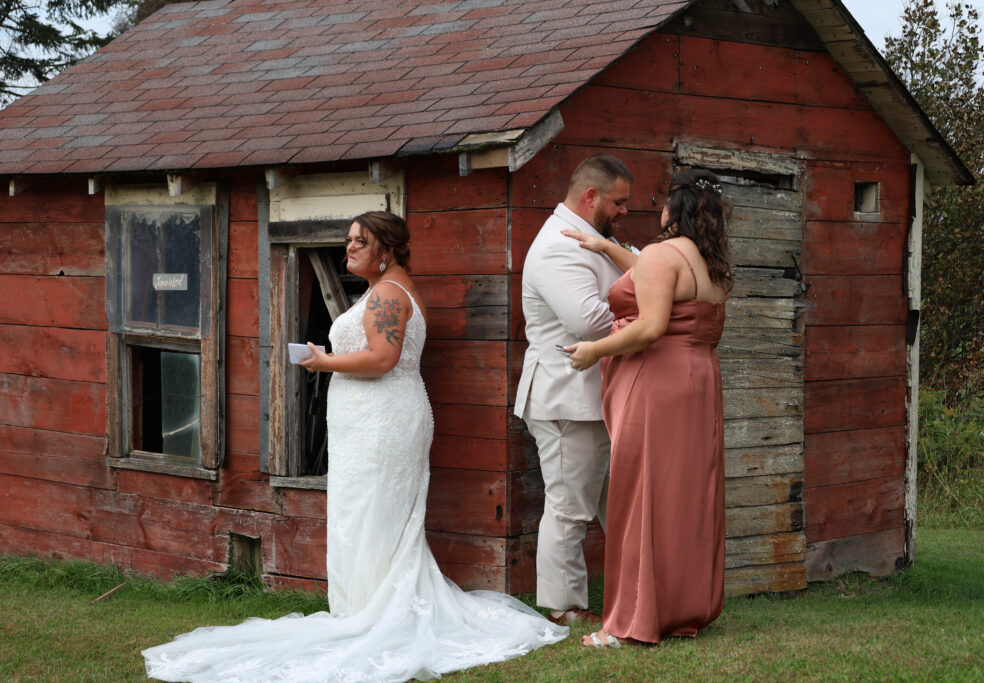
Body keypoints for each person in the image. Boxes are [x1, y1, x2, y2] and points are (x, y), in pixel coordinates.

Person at [142, 211, 566, 682]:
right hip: (369, 422)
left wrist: (323, 361)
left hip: (383, 423)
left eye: (358, 242)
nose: (348, 250)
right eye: (348, 242)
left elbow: (383, 359)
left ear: (385, 249)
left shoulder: (388, 294)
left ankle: (377, 613)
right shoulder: (384, 290)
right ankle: (364, 607)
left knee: (375, 515)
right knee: (363, 514)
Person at [563, 168, 732, 648]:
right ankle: (682, 606)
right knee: (683, 496)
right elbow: (658, 281)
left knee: (642, 493)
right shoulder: (708, 262)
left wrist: (595, 350)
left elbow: (653, 324)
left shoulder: (661, 254)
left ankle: (630, 620)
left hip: (658, 381)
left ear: (671, 210)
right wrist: (606, 249)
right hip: (698, 382)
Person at [515, 153, 633, 626]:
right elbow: (588, 321)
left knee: (613, 505)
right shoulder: (556, 248)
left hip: (592, 399)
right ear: (591, 197)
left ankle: (632, 596)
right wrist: (647, 319)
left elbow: (640, 270)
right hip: (565, 398)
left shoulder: (591, 240)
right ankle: (564, 608)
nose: (624, 212)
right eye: (619, 202)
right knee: (568, 507)